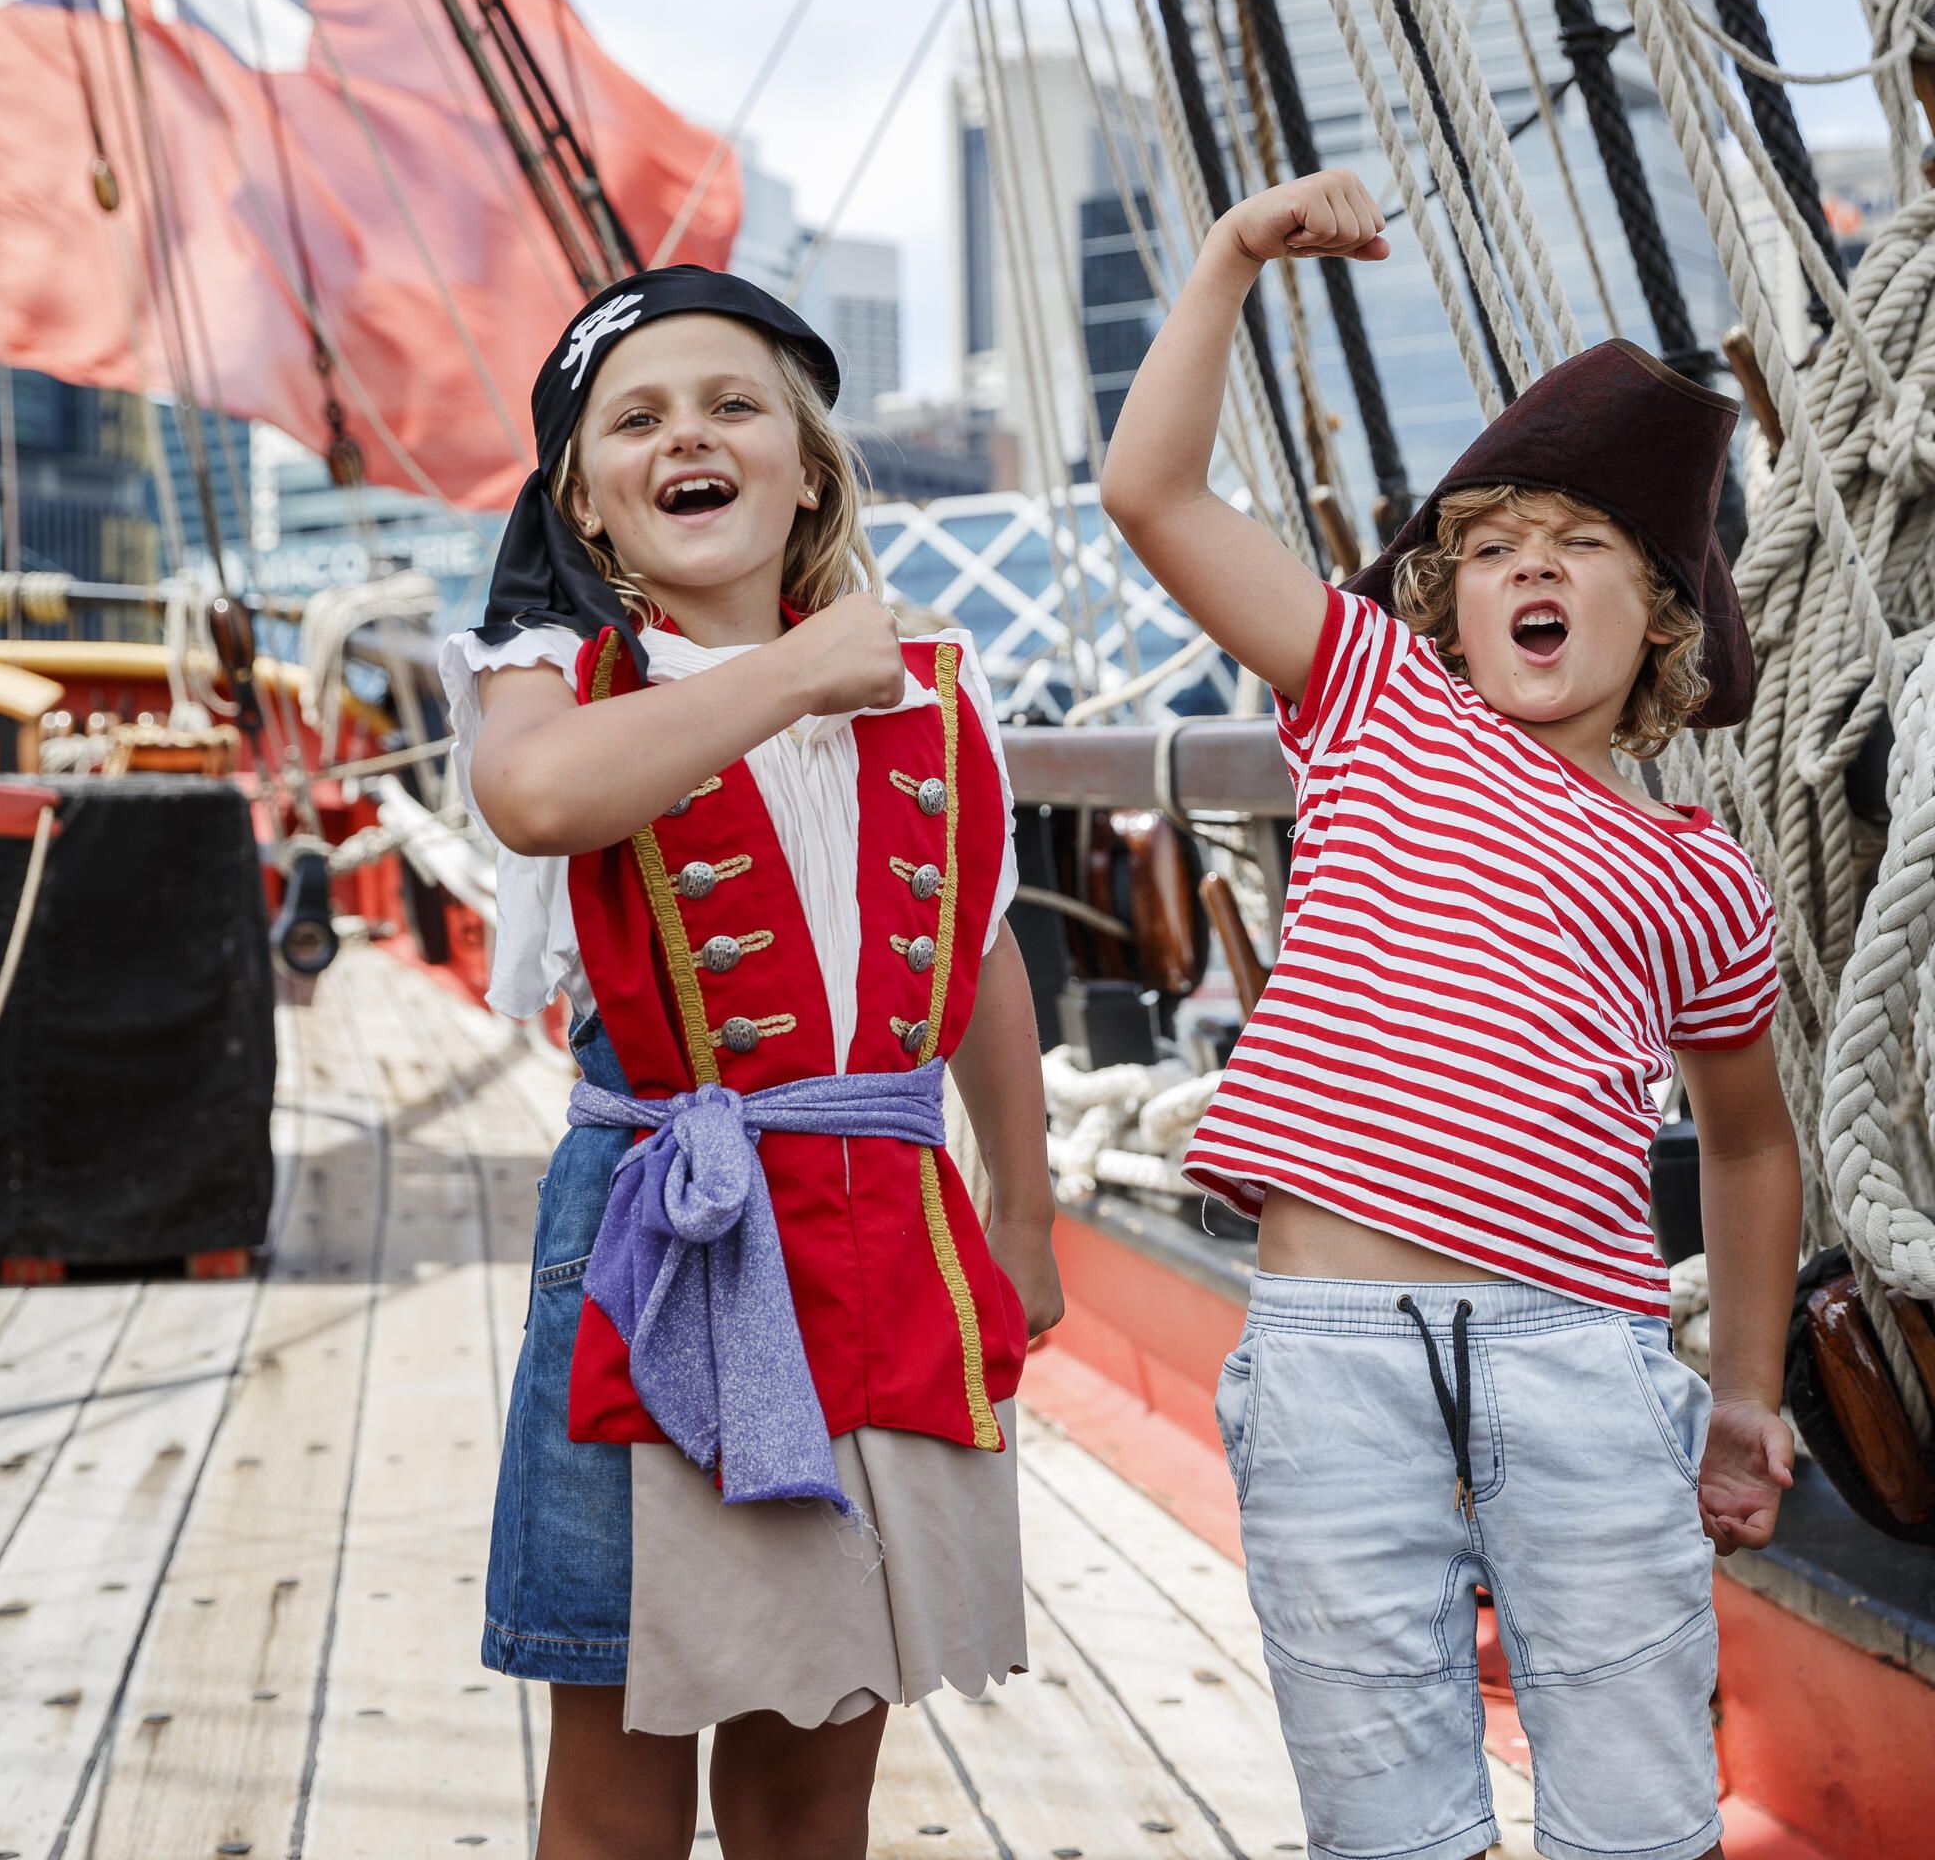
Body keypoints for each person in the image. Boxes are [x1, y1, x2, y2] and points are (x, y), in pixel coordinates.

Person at [1099, 170, 1803, 1860]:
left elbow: (1752, 1145)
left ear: (1668, 628)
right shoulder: (1372, 699)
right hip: (1336, 1360)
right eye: (1492, 552)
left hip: (1584, 1359)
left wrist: (1745, 1394)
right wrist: (1230, 260)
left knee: (1639, 1807)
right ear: (1450, 605)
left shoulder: (1700, 873)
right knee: (1387, 1821)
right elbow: (1152, 489)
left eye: (1579, 552)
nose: (1526, 572)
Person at [445, 267, 1065, 1860]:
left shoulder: (935, 701)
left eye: (732, 405)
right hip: (668, 1232)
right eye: (633, 420)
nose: (686, 438)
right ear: (583, 497)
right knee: (622, 1755)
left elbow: (982, 958)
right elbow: (536, 799)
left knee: (817, 1745)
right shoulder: (552, 679)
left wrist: (1026, 1218)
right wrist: (789, 672)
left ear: (809, 464)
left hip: (878, 1227)